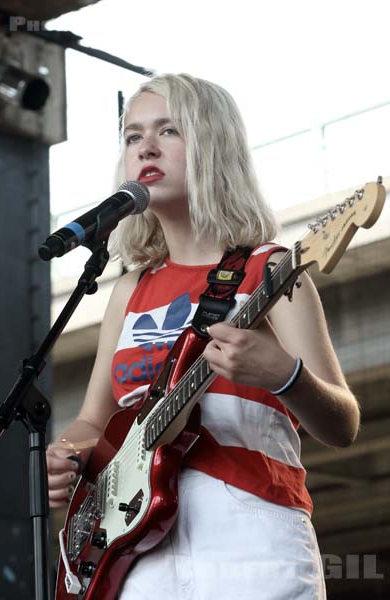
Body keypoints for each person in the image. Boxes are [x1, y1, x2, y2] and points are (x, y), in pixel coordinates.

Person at [47, 73, 360, 599]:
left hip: (253, 541)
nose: (145, 146)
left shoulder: (273, 269)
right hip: (137, 555)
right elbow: (93, 421)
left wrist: (284, 375)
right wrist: (68, 452)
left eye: (169, 130)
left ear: (214, 148)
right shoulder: (129, 290)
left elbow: (343, 423)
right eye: (132, 136)